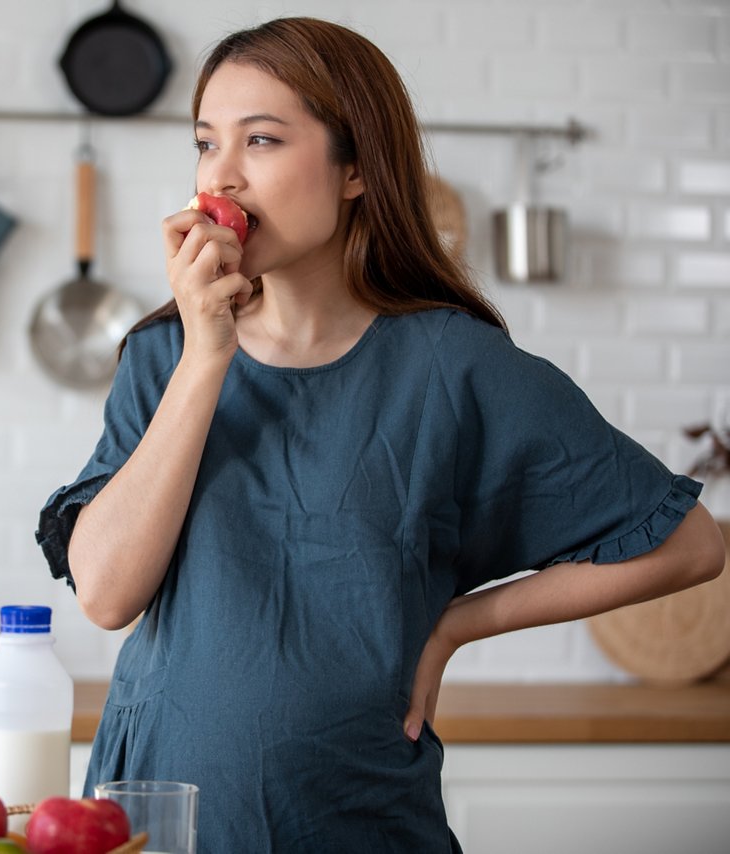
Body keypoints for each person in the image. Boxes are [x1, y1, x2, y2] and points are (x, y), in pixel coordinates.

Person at [35, 16, 726, 853]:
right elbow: (106, 594)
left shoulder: (454, 366)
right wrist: (205, 357)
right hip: (158, 825)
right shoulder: (164, 356)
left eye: (261, 140)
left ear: (355, 167)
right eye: (205, 143)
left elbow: (687, 545)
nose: (222, 175)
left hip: (357, 819)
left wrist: (455, 625)